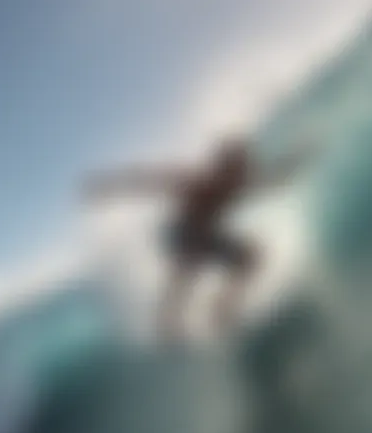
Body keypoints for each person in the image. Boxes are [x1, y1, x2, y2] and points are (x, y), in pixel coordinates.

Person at [80, 137, 309, 342]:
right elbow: (148, 181)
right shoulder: (197, 182)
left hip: (207, 234)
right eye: (235, 167)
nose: (240, 173)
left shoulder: (238, 184)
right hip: (181, 234)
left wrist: (294, 162)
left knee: (251, 257)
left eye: (242, 167)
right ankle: (167, 323)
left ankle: (222, 307)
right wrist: (108, 186)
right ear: (223, 167)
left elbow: (268, 181)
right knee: (190, 268)